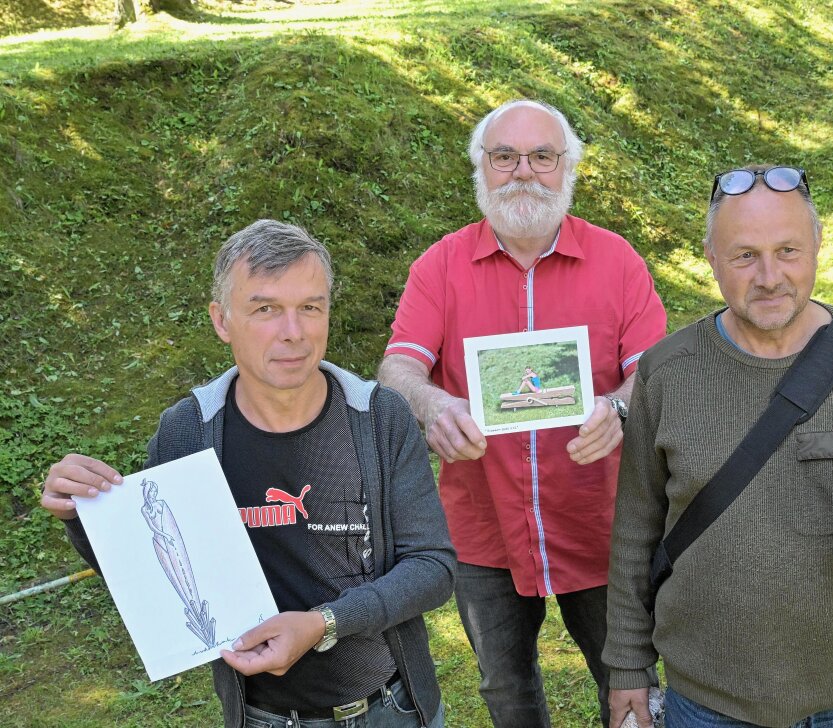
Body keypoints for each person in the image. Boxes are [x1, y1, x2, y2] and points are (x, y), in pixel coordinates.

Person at [40, 220, 456, 728]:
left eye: (310, 307)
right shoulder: (189, 431)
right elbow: (156, 572)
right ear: (222, 321)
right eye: (265, 309)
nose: (293, 332)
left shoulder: (378, 418)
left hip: (391, 709)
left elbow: (432, 568)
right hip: (263, 716)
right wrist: (83, 513)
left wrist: (325, 623)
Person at [603, 165, 833, 728]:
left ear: (816, 248)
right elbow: (635, 531)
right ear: (711, 259)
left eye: (788, 250)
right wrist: (626, 668)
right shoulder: (667, 371)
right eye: (744, 256)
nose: (769, 276)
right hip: (703, 700)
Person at [378, 99, 667, 727]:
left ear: (568, 169)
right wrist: (433, 404)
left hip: (602, 521)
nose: (523, 172)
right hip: (485, 525)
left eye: (542, 156)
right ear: (481, 168)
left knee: (628, 685)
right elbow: (398, 369)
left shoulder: (618, 261)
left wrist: (619, 406)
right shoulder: (440, 266)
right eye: (504, 156)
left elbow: (656, 374)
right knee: (505, 688)